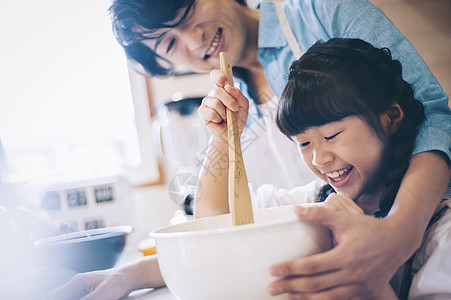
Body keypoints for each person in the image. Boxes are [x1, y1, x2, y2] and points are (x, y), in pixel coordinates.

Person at [48, 0, 450, 299]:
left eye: (186, 14)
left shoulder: (321, 11)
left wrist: (398, 233)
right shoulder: (234, 111)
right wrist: (132, 274)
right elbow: (224, 228)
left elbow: (433, 114)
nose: (194, 40)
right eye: (169, 44)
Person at [198, 37, 451, 299]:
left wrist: (367, 273)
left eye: (332, 136)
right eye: (304, 143)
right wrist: (223, 140)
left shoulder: (441, 235)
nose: (319, 159)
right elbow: (212, 227)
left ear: (391, 117)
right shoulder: (314, 204)